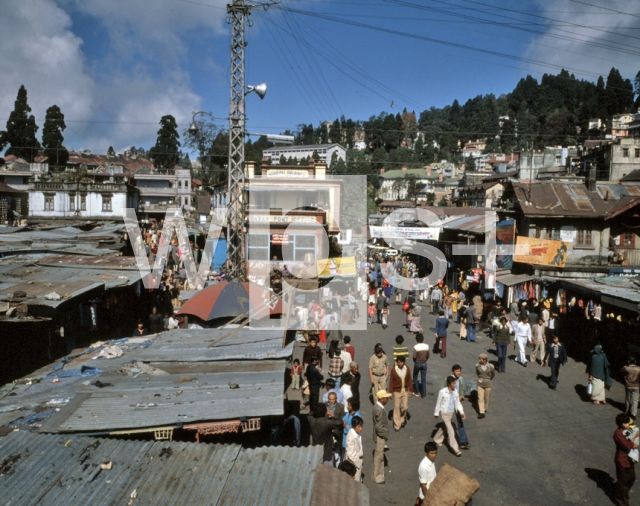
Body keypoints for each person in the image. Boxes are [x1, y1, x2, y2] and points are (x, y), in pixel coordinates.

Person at [433, 376, 465, 457]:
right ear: (449, 383)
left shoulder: (455, 392)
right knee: (451, 431)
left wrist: (462, 412)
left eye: (455, 383)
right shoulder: (442, 392)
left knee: (444, 427)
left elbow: (457, 403)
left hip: (451, 414)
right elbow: (438, 403)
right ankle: (456, 449)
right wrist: (436, 413)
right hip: (444, 414)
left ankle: (436, 440)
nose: (455, 384)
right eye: (453, 383)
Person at [614, 413, 639, 506]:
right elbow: (627, 445)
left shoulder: (626, 430)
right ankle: (623, 502)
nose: (627, 424)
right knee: (623, 483)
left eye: (627, 422)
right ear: (620, 423)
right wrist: (634, 437)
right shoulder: (618, 433)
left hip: (629, 459)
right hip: (622, 459)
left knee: (632, 478)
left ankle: (620, 492)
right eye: (625, 423)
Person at [308, 403, 344, 467]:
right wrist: (330, 413)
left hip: (315, 449)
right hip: (327, 451)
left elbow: (309, 415)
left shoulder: (311, 420)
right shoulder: (327, 423)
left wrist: (316, 410)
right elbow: (340, 422)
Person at [444, 364, 470, 450]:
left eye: (459, 371)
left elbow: (461, 390)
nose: (458, 373)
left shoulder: (461, 379)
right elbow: (443, 390)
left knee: (460, 421)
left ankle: (463, 441)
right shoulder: (448, 379)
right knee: (448, 420)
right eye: (456, 371)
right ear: (453, 371)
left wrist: (461, 396)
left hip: (457, 402)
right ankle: (446, 436)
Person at [372, 389, 392, 484]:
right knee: (379, 457)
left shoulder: (377, 407)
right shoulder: (379, 410)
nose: (387, 399)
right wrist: (385, 435)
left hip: (379, 436)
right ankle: (377, 477)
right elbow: (379, 426)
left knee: (380, 456)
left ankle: (379, 475)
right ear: (382, 399)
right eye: (386, 398)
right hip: (380, 437)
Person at [389, 355, 413, 431]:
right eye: (398, 362)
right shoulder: (393, 370)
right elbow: (391, 381)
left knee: (405, 407)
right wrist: (390, 392)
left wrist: (411, 390)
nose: (399, 364)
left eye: (401, 362)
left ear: (403, 362)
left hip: (405, 391)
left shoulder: (407, 369)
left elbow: (409, 379)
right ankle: (397, 425)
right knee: (396, 408)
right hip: (396, 392)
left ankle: (402, 419)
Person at [345, 415, 364, 482]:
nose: (361, 428)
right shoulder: (351, 437)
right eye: (359, 426)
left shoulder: (357, 434)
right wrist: (358, 463)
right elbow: (351, 454)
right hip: (354, 464)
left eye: (361, 426)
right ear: (354, 426)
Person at [476, 353, 495, 419]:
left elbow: (493, 375)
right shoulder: (477, 366)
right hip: (480, 383)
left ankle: (485, 408)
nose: (479, 360)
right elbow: (478, 373)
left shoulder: (491, 367)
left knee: (486, 398)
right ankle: (481, 412)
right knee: (480, 398)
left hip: (488, 383)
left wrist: (488, 379)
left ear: (484, 360)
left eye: (480, 359)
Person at [412, 333, 429, 398]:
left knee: (415, 376)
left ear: (416, 339)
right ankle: (424, 394)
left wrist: (415, 361)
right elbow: (428, 356)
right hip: (424, 363)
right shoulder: (426, 346)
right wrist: (425, 360)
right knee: (423, 378)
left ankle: (417, 391)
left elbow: (414, 356)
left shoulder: (416, 347)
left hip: (417, 363)